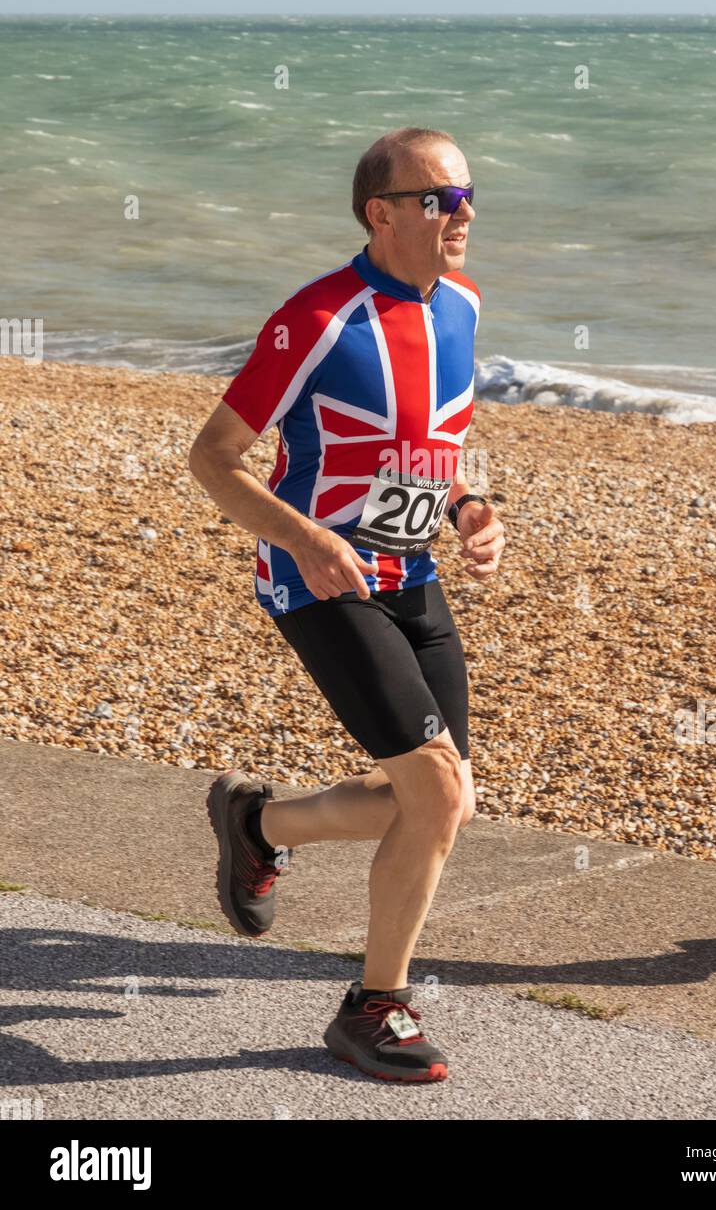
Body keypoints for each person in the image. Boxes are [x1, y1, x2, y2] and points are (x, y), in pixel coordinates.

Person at [189, 127, 506, 1083]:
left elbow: (427, 449)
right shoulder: (318, 320)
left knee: (441, 801)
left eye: (468, 194)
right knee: (436, 792)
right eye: (440, 199)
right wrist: (305, 537)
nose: (463, 214)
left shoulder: (463, 306)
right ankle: (375, 1007)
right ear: (382, 213)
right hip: (320, 580)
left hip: (412, 578)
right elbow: (213, 459)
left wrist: (469, 507)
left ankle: (258, 826)